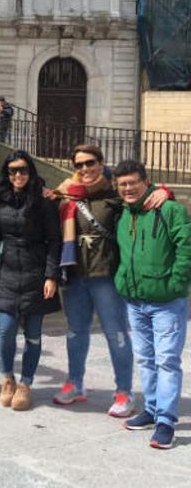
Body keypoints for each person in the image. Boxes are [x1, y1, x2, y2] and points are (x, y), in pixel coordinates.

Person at [50, 144, 167, 416]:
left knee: (116, 334)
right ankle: (75, 383)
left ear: (101, 163)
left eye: (90, 163)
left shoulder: (115, 193)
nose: (85, 169)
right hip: (75, 274)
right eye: (79, 165)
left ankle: (124, 391)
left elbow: (142, 196)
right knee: (75, 332)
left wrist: (163, 191)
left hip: (107, 275)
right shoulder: (66, 194)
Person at [113, 160, 190, 449]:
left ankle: (166, 421)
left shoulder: (169, 209)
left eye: (134, 182)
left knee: (167, 360)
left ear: (146, 182)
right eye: (123, 184)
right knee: (145, 359)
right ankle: (153, 408)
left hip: (166, 301)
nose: (129, 188)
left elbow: (187, 247)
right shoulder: (123, 212)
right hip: (135, 300)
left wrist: (177, 284)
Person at [0, 151, 61, 411]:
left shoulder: (43, 202)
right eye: (13, 170)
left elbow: (54, 241)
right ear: (7, 173)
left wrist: (51, 275)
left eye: (23, 170)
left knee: (33, 336)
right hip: (8, 273)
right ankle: (7, 378)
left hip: (36, 274)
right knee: (5, 332)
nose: (18, 175)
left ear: (31, 172)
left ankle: (26, 383)